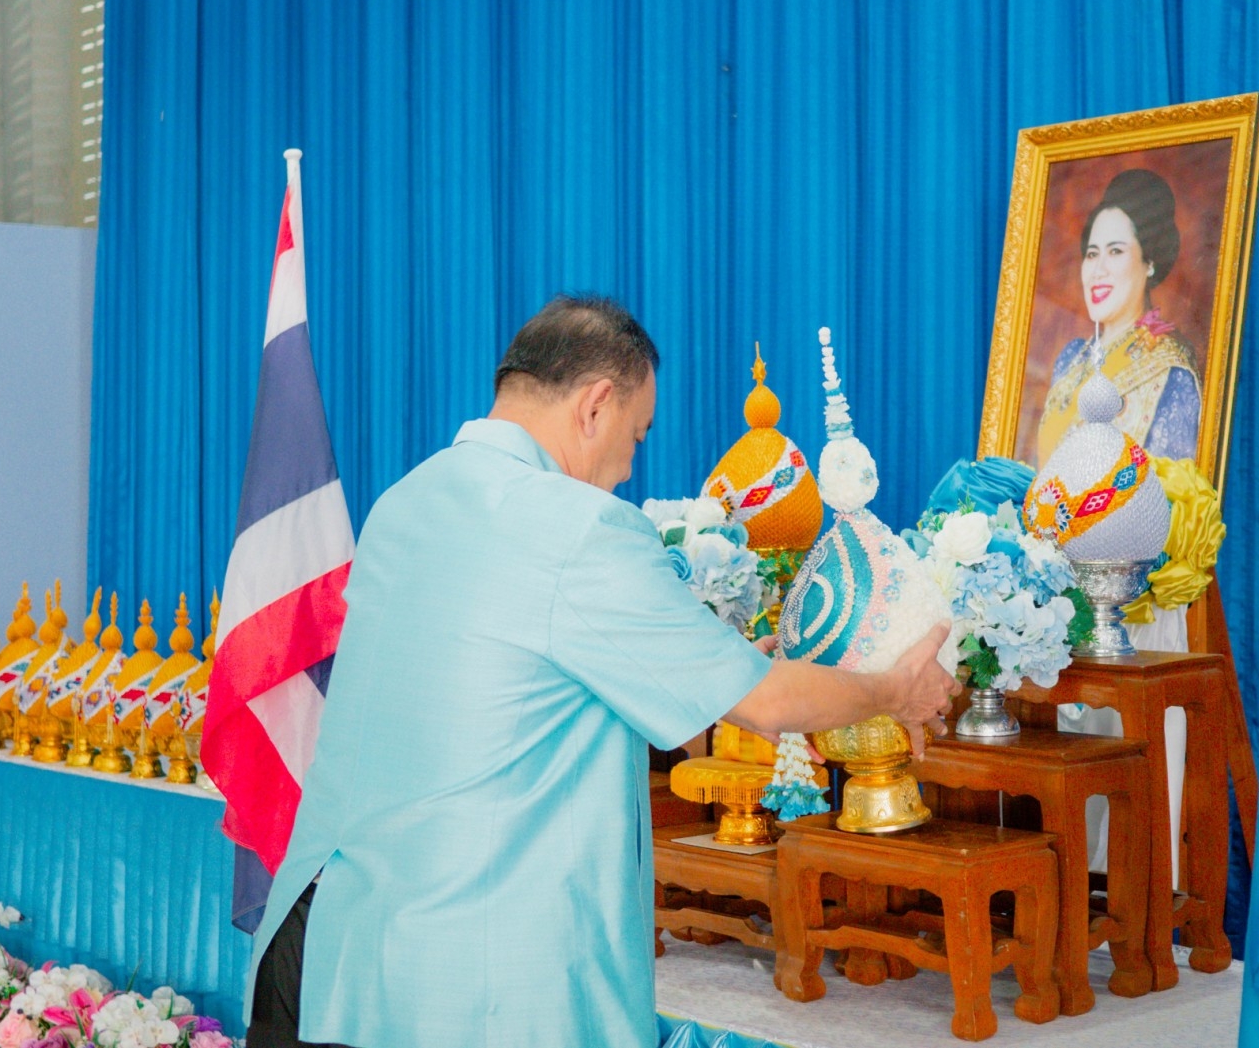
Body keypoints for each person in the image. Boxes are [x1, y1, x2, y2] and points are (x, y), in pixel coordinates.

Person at [246, 295, 956, 1048]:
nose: (627, 468)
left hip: (322, 949)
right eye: (636, 434)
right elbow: (769, 703)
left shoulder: (403, 500)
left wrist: (701, 655)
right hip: (453, 987)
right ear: (595, 404)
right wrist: (896, 688)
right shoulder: (578, 526)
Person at [1033, 168, 1203, 464]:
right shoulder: (1071, 359)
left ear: (1150, 261)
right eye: (1092, 254)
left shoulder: (1171, 374)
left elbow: (1169, 489)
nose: (1098, 270)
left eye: (1115, 252)